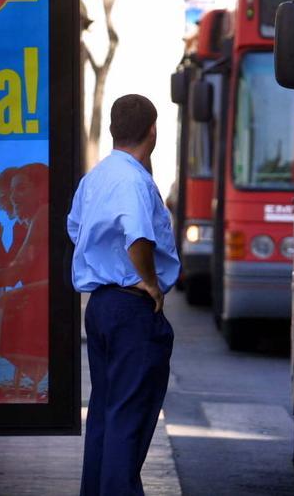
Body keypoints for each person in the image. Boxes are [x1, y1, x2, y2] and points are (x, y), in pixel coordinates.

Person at [68, 94, 179, 496]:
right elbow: (138, 235)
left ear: (114, 130)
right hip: (131, 307)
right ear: (153, 131)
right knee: (128, 419)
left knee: (105, 413)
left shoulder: (95, 177)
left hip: (100, 305)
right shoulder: (134, 179)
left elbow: (76, 228)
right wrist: (149, 280)